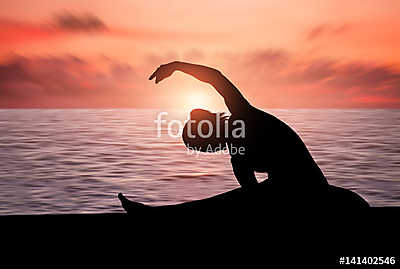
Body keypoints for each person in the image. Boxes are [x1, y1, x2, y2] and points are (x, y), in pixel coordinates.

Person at [118, 61, 369, 214]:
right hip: (284, 194)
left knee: (225, 204)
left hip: (310, 192)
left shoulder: (244, 114)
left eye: (202, 144)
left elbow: (215, 77)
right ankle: (160, 215)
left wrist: (176, 66)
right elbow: (253, 198)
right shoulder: (237, 159)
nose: (208, 150)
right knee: (228, 202)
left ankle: (158, 218)